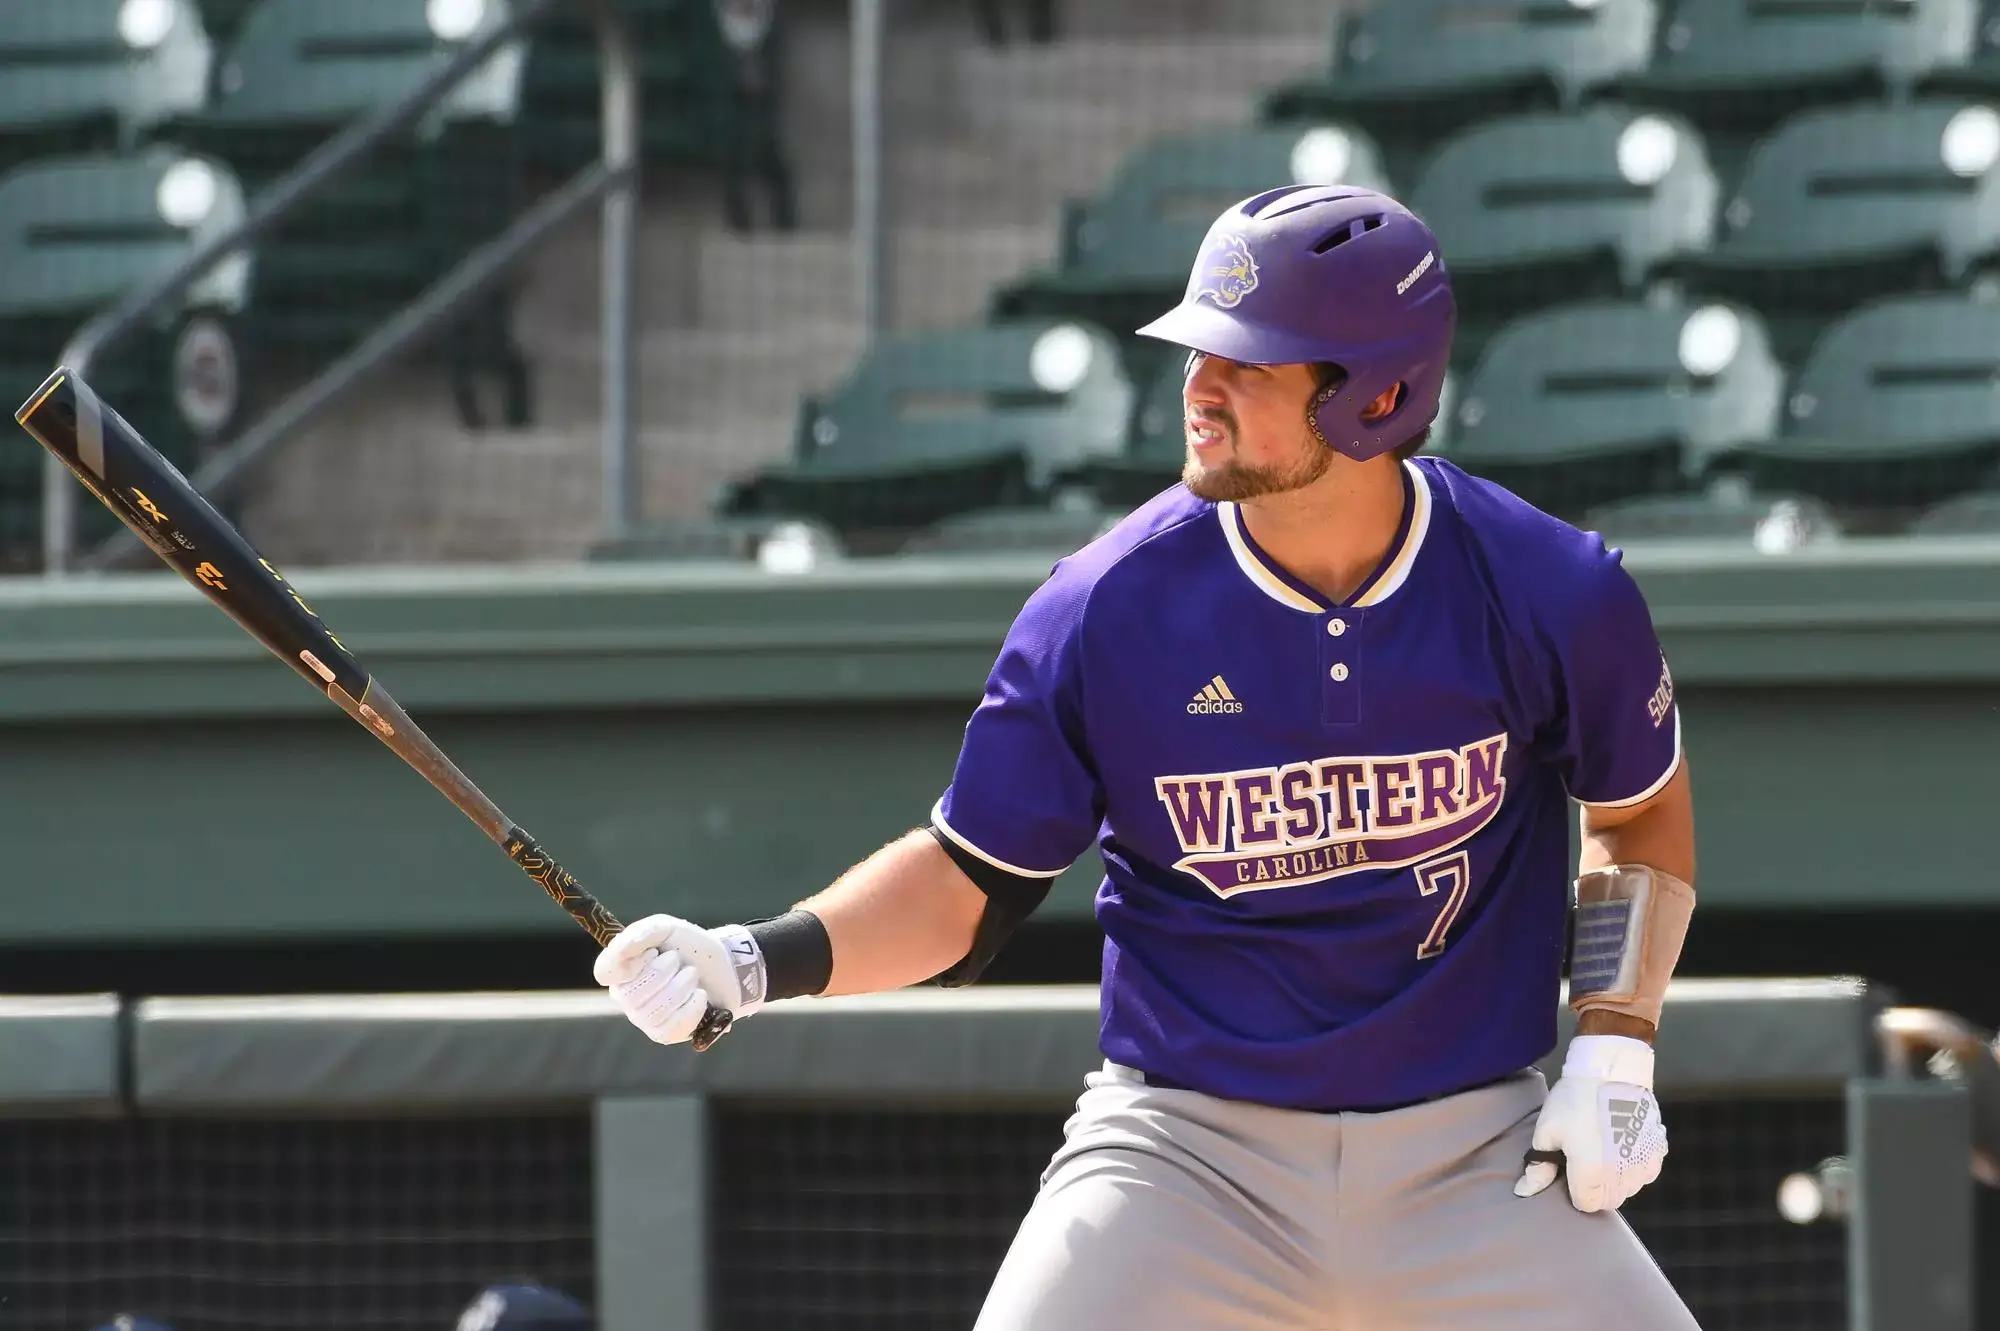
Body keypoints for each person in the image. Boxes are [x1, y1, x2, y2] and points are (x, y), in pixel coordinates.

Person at [594, 184, 1701, 1330]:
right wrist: (752, 960)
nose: (1198, 389)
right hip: (1181, 1158)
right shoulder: (1101, 605)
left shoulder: (1549, 588)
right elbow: (965, 882)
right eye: (1195, 353)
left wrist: (1615, 1044)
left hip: (1477, 1152)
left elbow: (1635, 812)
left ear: (1378, 394)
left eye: (1250, 363)